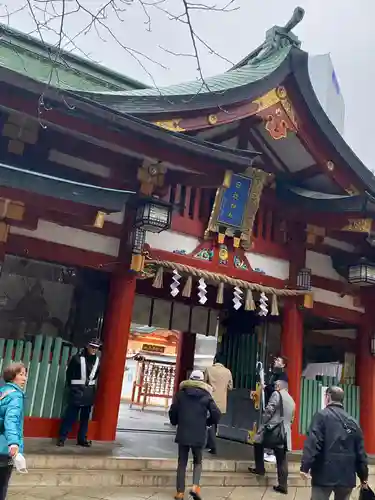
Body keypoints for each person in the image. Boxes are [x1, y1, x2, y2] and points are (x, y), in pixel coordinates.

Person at [300, 386, 368, 500]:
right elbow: (361, 453)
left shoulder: (321, 416)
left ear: (327, 397)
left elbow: (313, 442)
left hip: (323, 474)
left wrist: (305, 466)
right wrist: (363, 476)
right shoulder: (353, 422)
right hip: (346, 476)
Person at [169, 369, 221, 500]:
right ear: (202, 380)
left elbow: (173, 410)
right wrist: (207, 422)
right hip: (199, 433)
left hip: (183, 432)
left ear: (190, 379)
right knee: (198, 461)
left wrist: (175, 422)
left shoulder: (181, 394)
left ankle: (180, 492)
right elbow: (217, 414)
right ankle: (195, 487)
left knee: (182, 462)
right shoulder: (206, 396)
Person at [249, 379, 295, 495]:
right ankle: (283, 485)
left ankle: (260, 469)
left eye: (275, 385)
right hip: (285, 433)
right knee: (281, 459)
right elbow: (292, 418)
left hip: (274, 429)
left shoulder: (276, 394)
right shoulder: (291, 399)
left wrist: (264, 422)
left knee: (257, 442)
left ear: (279, 386)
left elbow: (270, 409)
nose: (274, 387)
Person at [57, 338, 102, 447]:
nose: (94, 349)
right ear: (87, 346)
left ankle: (82, 439)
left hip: (89, 392)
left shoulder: (97, 361)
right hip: (76, 391)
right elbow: (69, 375)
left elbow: (95, 376)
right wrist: (73, 388)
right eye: (92, 347)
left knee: (85, 418)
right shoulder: (76, 358)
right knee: (70, 416)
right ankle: (62, 438)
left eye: (96, 347)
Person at [0, 362, 27, 500]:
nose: (25, 378)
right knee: (2, 485)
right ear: (12, 376)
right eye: (21, 374)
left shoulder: (2, 392)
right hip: (4, 448)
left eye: (25, 374)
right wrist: (14, 443)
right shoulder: (16, 395)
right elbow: (11, 420)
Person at [204, 355, 232, 454]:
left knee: (210, 422)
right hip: (221, 403)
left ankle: (212, 446)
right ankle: (209, 443)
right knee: (214, 422)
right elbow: (230, 387)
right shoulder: (228, 372)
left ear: (215, 360)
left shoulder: (209, 369)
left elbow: (204, 383)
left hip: (210, 399)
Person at [263, 356, 288, 464]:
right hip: (270, 403)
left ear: (283, 365)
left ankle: (272, 453)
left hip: (276, 406)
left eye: (278, 361)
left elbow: (277, 389)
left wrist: (267, 387)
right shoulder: (273, 374)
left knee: (273, 429)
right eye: (275, 360)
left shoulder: (283, 376)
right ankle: (269, 451)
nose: (275, 362)